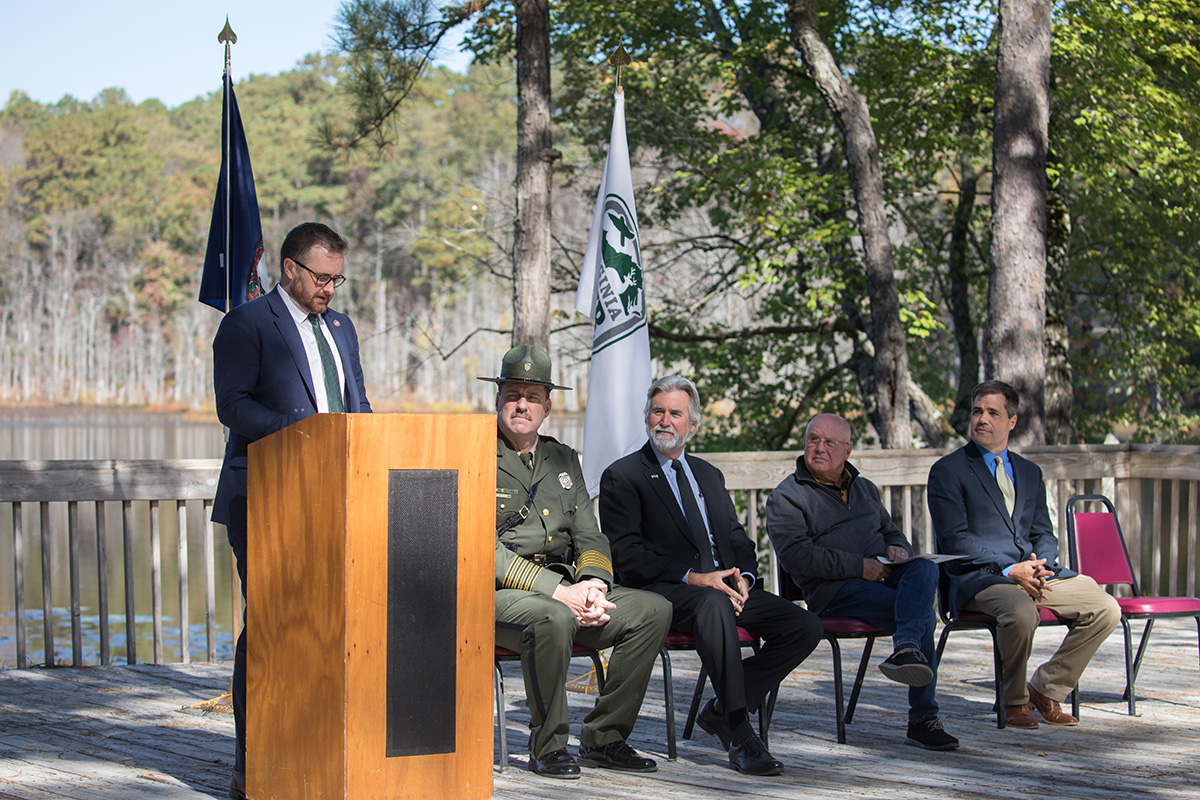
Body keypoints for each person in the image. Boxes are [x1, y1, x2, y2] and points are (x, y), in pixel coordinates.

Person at [211, 222, 372, 799]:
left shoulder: (342, 329)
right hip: (264, 499)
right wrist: (304, 435)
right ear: (289, 268)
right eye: (321, 277)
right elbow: (234, 406)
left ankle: (314, 752)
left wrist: (368, 446)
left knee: (328, 629)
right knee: (271, 628)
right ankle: (250, 760)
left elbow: (357, 404)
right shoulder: (248, 324)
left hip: (335, 502)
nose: (330, 288)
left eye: (338, 278)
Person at [599, 375, 822, 776]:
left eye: (675, 414)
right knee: (712, 602)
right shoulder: (624, 476)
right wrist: (694, 578)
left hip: (726, 590)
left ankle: (720, 707)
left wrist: (745, 579)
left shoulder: (708, 474)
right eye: (657, 411)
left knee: (804, 625)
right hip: (666, 593)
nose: (664, 421)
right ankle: (739, 730)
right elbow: (625, 554)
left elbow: (736, 538)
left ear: (693, 425)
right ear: (647, 417)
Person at [485, 345, 672, 779]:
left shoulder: (563, 458)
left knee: (652, 610)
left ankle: (604, 738)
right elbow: (480, 548)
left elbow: (590, 533)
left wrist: (593, 584)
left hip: (567, 588)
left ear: (547, 406)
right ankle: (548, 746)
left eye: (532, 397)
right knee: (553, 617)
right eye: (513, 394)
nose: (521, 405)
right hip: (498, 597)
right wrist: (559, 592)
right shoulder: (472, 453)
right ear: (498, 399)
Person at [927, 380, 1120, 729]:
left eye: (992, 413)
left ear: (1011, 421)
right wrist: (1008, 568)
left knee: (1105, 607)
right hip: (980, 578)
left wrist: (1041, 564)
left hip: (1032, 573)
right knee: (1020, 612)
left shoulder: (1029, 472)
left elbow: (1042, 531)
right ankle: (1013, 700)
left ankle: (1045, 689)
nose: (982, 420)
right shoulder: (948, 470)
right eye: (977, 412)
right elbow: (954, 540)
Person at [765, 413, 959, 751]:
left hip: (883, 577)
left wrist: (899, 547)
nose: (819, 448)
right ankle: (923, 718)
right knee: (923, 616)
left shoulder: (865, 488)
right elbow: (797, 556)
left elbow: (891, 531)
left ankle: (906, 648)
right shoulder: (787, 497)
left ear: (848, 451)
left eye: (829, 442)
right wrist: (860, 567)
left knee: (925, 568)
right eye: (813, 439)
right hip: (835, 592)